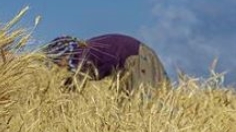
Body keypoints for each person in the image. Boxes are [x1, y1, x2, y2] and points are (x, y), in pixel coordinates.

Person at [41, 33, 169, 94]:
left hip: (138, 58)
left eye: (56, 60)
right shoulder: (82, 51)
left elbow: (74, 85)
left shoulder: (80, 56)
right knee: (127, 108)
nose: (57, 65)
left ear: (62, 55)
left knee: (146, 102)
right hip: (130, 61)